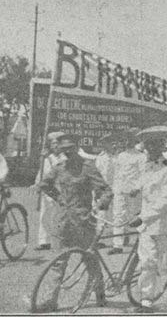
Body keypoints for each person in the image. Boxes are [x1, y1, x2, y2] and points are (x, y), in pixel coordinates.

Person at [35, 134, 113, 313]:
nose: (67, 153)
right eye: (64, 150)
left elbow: (106, 190)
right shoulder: (59, 167)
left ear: (77, 148)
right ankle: (50, 301)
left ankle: (100, 294)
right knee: (57, 263)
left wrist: (100, 204)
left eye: (70, 149)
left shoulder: (88, 167)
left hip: (84, 221)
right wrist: (58, 197)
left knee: (90, 260)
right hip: (62, 221)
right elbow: (44, 184)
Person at [127, 127, 167, 313]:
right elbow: (141, 183)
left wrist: (142, 217)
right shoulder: (146, 166)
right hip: (147, 226)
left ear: (162, 146)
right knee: (147, 263)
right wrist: (133, 189)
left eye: (155, 145)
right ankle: (146, 301)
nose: (151, 149)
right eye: (148, 146)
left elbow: (166, 201)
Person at [108, 131, 144, 254]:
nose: (127, 142)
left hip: (134, 192)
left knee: (135, 217)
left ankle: (140, 244)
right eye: (125, 140)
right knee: (118, 216)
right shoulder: (121, 155)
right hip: (120, 190)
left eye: (130, 139)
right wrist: (114, 189)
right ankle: (117, 245)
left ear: (134, 141)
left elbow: (143, 174)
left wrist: (137, 187)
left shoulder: (141, 156)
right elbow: (117, 174)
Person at [34, 131, 65, 251]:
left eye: (57, 143)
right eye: (53, 143)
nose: (55, 146)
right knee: (44, 216)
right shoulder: (47, 158)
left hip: (59, 189)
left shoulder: (64, 157)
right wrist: (38, 184)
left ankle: (57, 240)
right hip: (46, 189)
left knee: (57, 216)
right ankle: (44, 241)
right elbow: (42, 173)